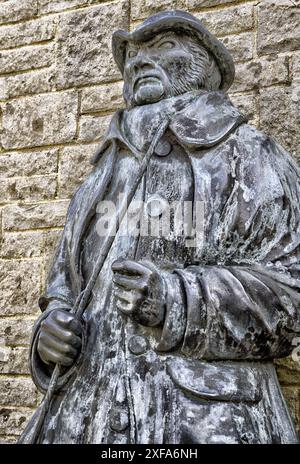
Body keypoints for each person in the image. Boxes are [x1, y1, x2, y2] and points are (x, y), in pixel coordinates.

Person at [20, 10, 300, 444]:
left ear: (205, 64)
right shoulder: (99, 178)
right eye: (131, 55)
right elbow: (63, 289)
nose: (137, 63)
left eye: (163, 47)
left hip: (195, 424)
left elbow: (289, 299)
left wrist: (176, 298)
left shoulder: (250, 155)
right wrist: (51, 331)